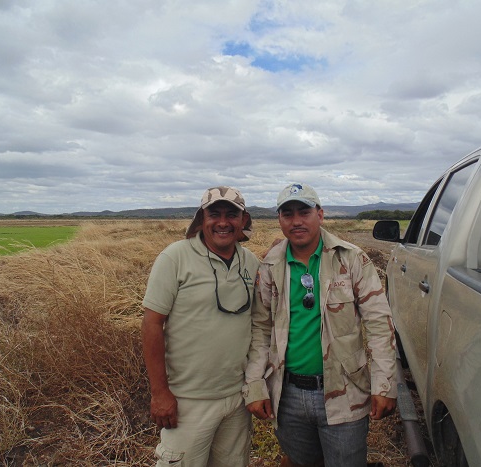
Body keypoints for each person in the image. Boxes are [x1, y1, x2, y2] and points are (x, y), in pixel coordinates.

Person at [244, 183, 397, 467]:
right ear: (279, 220)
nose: (296, 221)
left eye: (304, 211)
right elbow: (260, 330)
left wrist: (384, 384)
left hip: (344, 391)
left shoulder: (351, 259)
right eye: (287, 214)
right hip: (287, 395)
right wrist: (255, 383)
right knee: (301, 462)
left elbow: (378, 323)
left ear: (321, 214)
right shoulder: (270, 267)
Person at [142, 186, 259, 467]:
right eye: (214, 214)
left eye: (232, 214)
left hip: (236, 399)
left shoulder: (252, 263)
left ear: (243, 221)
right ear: (201, 219)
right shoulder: (175, 257)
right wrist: (160, 393)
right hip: (187, 402)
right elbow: (152, 324)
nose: (222, 222)